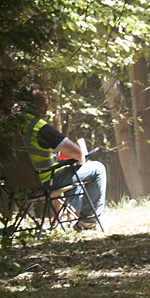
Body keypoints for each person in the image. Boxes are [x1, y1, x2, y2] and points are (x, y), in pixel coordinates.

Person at [19, 84, 106, 229]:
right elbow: (77, 153)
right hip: (43, 184)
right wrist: (80, 160)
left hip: (16, 187)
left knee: (71, 181)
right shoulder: (38, 127)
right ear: (30, 104)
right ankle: (89, 220)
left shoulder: (10, 125)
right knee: (98, 169)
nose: (46, 105)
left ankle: (88, 217)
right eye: (41, 101)